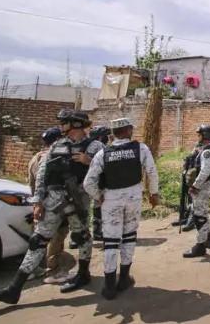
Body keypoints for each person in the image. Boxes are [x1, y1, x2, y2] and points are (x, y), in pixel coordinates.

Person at [0, 109, 104, 304]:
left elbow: (104, 173)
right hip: (53, 202)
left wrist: (88, 162)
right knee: (37, 241)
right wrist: (37, 201)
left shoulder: (95, 146)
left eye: (64, 123)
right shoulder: (57, 144)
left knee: (82, 237)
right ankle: (14, 289)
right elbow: (42, 175)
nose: (60, 126)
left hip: (78, 201)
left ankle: (83, 274)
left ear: (77, 124)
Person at [83, 117, 159, 300]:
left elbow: (88, 182)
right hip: (133, 197)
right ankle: (124, 279)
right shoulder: (140, 148)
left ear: (113, 134)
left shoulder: (104, 153)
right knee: (129, 238)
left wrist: (98, 196)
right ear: (128, 130)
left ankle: (109, 287)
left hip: (111, 200)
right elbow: (151, 172)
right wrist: (153, 194)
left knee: (111, 242)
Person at [26, 126, 68, 279]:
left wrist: (37, 204)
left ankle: (34, 268)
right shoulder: (55, 158)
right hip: (56, 206)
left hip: (40, 205)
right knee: (57, 237)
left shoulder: (35, 158)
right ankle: (53, 269)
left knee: (38, 238)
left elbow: (32, 183)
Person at [183, 124, 210, 258]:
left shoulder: (207, 152)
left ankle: (200, 246)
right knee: (203, 213)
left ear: (206, 136)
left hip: (203, 186)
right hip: (208, 185)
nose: (198, 137)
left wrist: (195, 186)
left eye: (200, 134)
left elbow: (205, 171)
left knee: (199, 216)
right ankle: (209, 239)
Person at [89, 125, 112, 242]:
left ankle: (75, 239)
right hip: (97, 181)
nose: (108, 138)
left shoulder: (86, 145)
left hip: (84, 182)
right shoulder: (100, 146)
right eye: (106, 136)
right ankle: (98, 232)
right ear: (101, 136)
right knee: (99, 207)